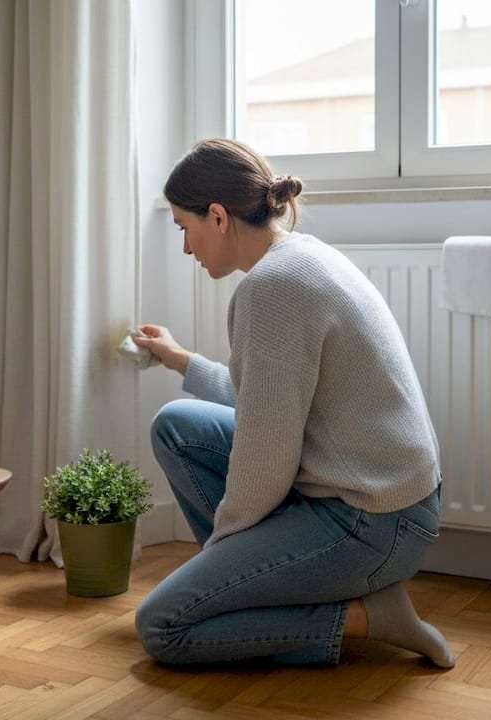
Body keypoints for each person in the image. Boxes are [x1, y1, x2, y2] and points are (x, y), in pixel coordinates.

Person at [132, 138, 454, 668]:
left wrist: (223, 557)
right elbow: (266, 401)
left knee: (163, 626)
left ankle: (367, 616)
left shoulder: (273, 288)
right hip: (384, 502)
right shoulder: (301, 257)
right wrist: (179, 359)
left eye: (182, 228)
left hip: (370, 523)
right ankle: (275, 584)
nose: (186, 248)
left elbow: (266, 459)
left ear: (216, 216)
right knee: (178, 425)